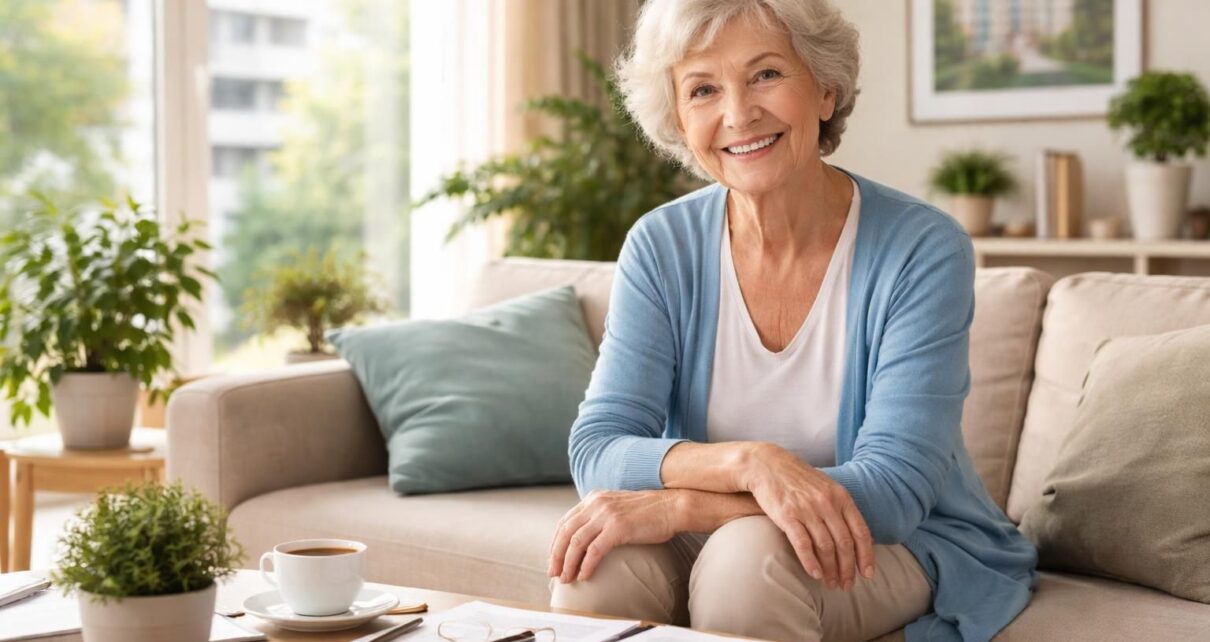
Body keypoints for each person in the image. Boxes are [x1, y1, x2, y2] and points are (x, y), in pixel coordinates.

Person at [545, 1, 1037, 641]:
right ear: (678, 118)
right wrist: (750, 464)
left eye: (767, 75)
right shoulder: (660, 244)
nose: (738, 114)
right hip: (724, 539)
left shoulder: (922, 248)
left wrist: (687, 504)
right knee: (596, 563)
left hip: (895, 541)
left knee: (747, 564)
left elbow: (892, 493)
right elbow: (599, 448)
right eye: (702, 89)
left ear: (826, 89)